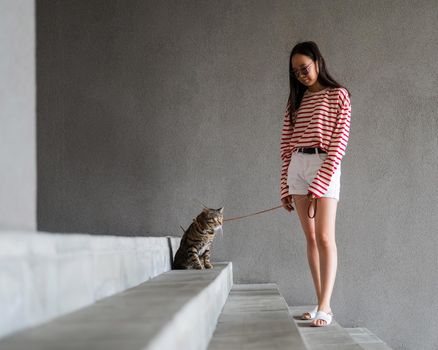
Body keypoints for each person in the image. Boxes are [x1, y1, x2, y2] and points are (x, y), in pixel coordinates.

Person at [279, 41, 352, 327]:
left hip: (325, 164)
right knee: (310, 239)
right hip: (298, 165)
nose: (301, 75)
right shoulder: (295, 102)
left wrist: (320, 182)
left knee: (324, 238)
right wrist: (285, 184)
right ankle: (321, 301)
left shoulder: (339, 96)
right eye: (295, 72)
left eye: (304, 68)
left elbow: (339, 144)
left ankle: (325, 306)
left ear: (317, 62)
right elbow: (286, 145)